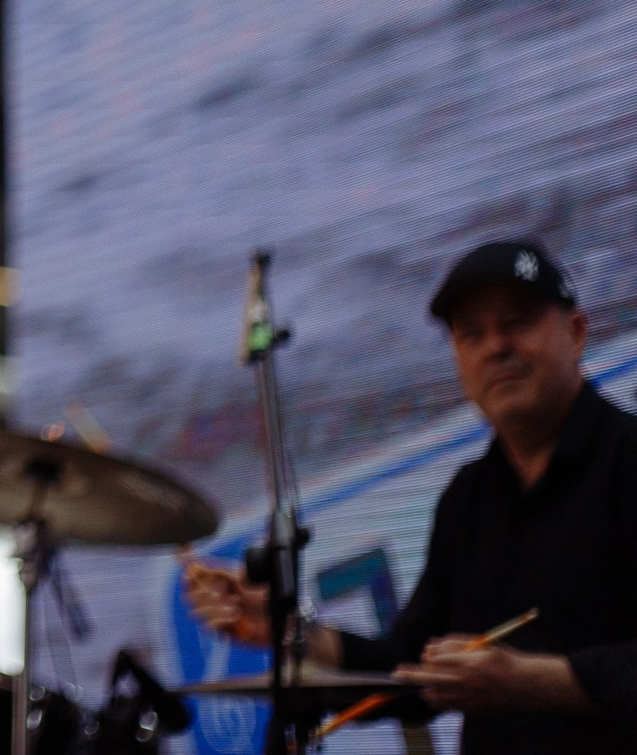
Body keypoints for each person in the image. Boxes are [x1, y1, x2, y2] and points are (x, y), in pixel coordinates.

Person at [184, 238, 637, 753]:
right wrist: (289, 630)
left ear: (576, 332)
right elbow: (410, 670)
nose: (495, 347)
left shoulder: (626, 459)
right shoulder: (467, 500)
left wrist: (531, 680)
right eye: (472, 333)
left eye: (517, 323)